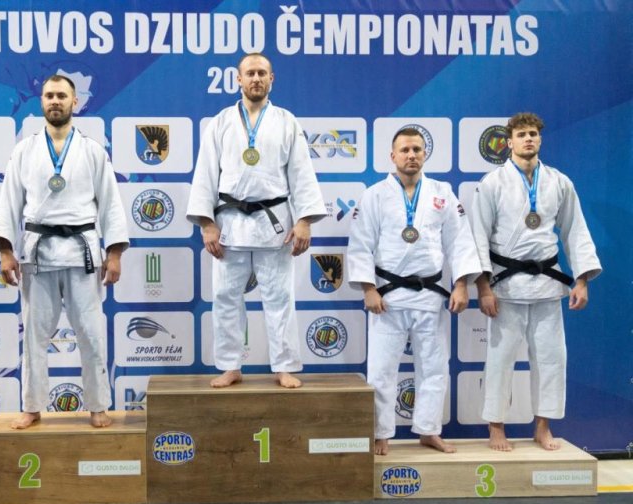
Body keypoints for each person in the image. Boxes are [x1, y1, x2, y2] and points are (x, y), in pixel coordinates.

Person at [0, 74, 129, 429]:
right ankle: (32, 406)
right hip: (38, 254)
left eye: (62, 96)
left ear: (74, 102)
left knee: (91, 334)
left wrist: (114, 254)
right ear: (42, 101)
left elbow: (111, 204)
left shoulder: (93, 151)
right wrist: (6, 251)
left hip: (82, 254)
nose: (55, 101)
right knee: (34, 335)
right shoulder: (24, 150)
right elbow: (9, 203)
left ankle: (98, 405)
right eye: (49, 95)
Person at [187, 53, 326, 389]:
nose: (256, 79)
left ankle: (284, 366)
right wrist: (207, 223)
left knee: (280, 298)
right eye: (250, 73)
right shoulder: (220, 122)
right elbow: (206, 173)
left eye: (262, 73)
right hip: (229, 223)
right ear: (238, 79)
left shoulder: (286, 122)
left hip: (274, 223)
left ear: (271, 79)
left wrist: (304, 220)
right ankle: (230, 365)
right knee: (225, 297)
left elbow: (301, 173)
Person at [470, 112, 601, 451]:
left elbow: (575, 231)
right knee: (500, 360)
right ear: (509, 142)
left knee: (551, 358)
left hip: (546, 284)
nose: (528, 139)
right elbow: (477, 235)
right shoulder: (493, 183)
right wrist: (483, 287)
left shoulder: (559, 182)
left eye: (533, 134)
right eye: (521, 134)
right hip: (506, 286)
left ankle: (542, 427)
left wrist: (582, 280)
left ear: (540, 139)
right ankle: (496, 427)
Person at [347, 128, 482, 456]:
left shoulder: (442, 193)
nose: (411, 155)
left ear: (425, 154)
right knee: (381, 369)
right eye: (405, 150)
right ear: (392, 156)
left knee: (435, 367)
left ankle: (429, 430)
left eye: (417, 150)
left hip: (430, 294)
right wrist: (368, 288)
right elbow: (361, 244)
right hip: (388, 296)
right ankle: (380, 433)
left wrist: (460, 284)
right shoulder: (375, 195)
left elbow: (459, 241)